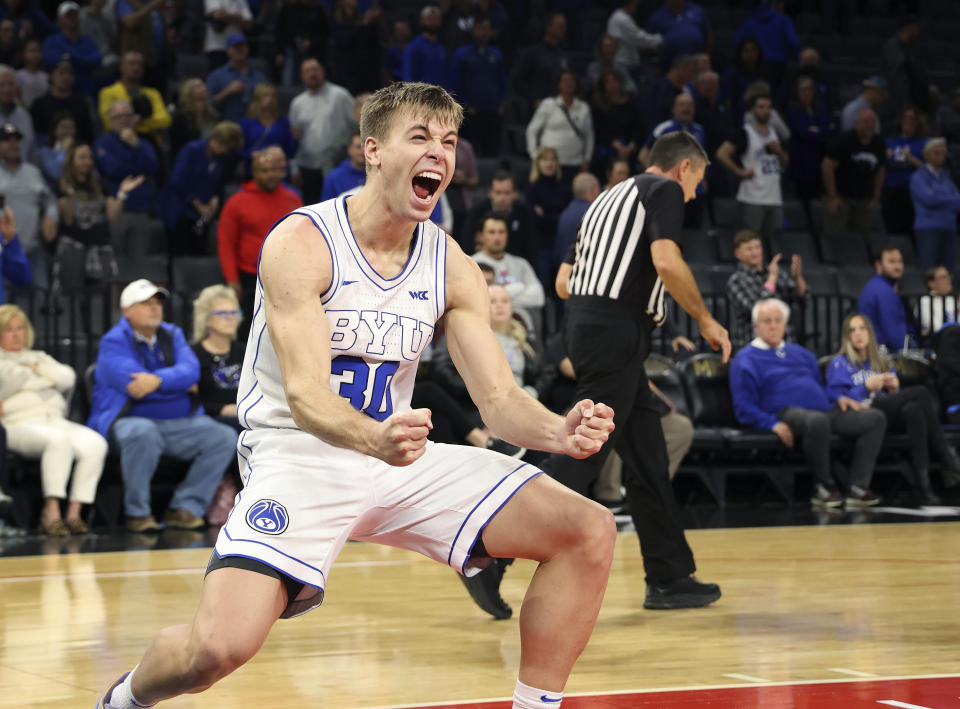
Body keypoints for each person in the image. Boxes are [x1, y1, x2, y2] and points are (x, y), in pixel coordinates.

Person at [96, 81, 617, 709]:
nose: (439, 153)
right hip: (301, 454)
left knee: (587, 530)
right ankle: (123, 700)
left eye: (449, 142)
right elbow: (307, 394)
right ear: (372, 149)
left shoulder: (451, 263)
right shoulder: (302, 242)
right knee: (217, 649)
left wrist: (557, 430)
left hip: (395, 458)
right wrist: (374, 437)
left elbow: (500, 399)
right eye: (420, 137)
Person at [545, 130, 728, 611]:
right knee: (582, 447)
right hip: (617, 328)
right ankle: (491, 549)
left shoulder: (604, 200)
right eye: (697, 182)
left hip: (587, 324)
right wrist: (706, 320)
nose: (692, 195)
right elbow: (666, 261)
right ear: (683, 168)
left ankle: (669, 576)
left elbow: (564, 283)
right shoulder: (662, 189)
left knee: (647, 458)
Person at [87, 278, 238, 534]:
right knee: (143, 432)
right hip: (127, 420)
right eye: (145, 303)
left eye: (157, 302)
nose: (155, 308)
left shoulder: (172, 334)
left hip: (178, 422)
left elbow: (191, 372)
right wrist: (174, 385)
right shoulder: (113, 342)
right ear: (127, 310)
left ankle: (185, 508)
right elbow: (134, 387)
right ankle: (137, 513)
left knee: (223, 436)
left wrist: (156, 380)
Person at [731, 299, 886, 508]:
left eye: (778, 320)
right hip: (785, 412)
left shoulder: (801, 353)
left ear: (785, 325)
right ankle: (824, 488)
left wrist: (838, 398)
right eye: (766, 321)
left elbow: (820, 387)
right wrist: (771, 424)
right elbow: (743, 407)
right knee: (816, 421)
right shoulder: (745, 359)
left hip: (825, 410)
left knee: (874, 418)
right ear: (755, 326)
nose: (773, 325)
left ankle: (858, 487)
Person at [826, 313, 959, 505]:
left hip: (886, 413)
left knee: (914, 409)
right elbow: (837, 401)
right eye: (852, 330)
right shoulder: (839, 363)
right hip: (862, 415)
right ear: (846, 337)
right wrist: (866, 387)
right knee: (920, 393)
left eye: (862, 328)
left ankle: (924, 484)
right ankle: (947, 460)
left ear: (870, 333)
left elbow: (893, 399)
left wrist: (894, 388)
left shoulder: (882, 361)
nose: (858, 334)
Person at [0, 303, 106, 535]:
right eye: (9, 329)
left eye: (21, 328)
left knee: (96, 443)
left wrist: (32, 372)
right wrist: (43, 376)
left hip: (55, 419)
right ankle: (51, 511)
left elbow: (67, 377)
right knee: (58, 441)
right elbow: (8, 381)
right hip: (17, 423)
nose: (17, 334)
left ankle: (75, 513)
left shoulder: (38, 356)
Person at [218, 146, 302, 339]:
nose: (270, 175)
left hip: (286, 276)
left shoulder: (293, 199)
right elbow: (226, 244)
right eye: (264, 171)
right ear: (255, 172)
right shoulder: (237, 202)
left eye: (274, 170)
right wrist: (232, 280)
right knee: (248, 331)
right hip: (249, 277)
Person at [54, 142, 141, 288]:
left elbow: (113, 215)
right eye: (82, 157)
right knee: (72, 294)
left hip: (100, 248)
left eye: (90, 157)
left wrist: (122, 194)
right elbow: (68, 220)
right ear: (71, 161)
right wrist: (69, 195)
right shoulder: (62, 185)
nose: (88, 161)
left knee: (102, 297)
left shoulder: (101, 184)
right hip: (73, 248)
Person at [715, 87, 788, 252]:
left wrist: (779, 152)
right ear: (752, 110)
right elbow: (722, 153)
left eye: (769, 107)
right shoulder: (745, 133)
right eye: (761, 107)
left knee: (773, 240)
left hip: (774, 197)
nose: (766, 111)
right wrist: (740, 172)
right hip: (752, 197)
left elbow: (785, 163)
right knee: (751, 241)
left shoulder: (774, 133)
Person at [157, 121, 242, 257]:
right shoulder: (192, 150)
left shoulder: (219, 159)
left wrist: (214, 199)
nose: (226, 152)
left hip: (201, 215)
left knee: (198, 253)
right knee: (179, 253)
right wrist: (197, 203)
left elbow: (216, 183)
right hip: (179, 210)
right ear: (217, 140)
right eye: (225, 147)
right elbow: (176, 180)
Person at [726, 229, 807, 350]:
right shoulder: (736, 281)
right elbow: (756, 310)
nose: (755, 252)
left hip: (786, 343)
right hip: (755, 345)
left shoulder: (775, 272)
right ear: (738, 254)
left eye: (757, 247)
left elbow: (803, 298)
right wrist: (772, 279)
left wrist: (797, 278)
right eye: (749, 249)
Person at [288, 57, 354, 205]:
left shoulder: (340, 95)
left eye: (315, 70)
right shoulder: (297, 103)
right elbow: (293, 139)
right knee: (311, 208)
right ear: (302, 76)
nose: (312, 74)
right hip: (308, 166)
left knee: (337, 207)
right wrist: (294, 168)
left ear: (323, 71)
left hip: (336, 163)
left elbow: (356, 124)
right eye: (307, 71)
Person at [0, 122, 56, 287]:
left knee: (38, 299)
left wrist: (50, 217)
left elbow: (50, 200)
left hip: (33, 249)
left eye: (16, 140)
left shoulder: (33, 172)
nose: (13, 144)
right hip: (3, 251)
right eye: (6, 140)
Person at [471, 212, 545, 334]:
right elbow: (476, 301)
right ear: (480, 236)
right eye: (491, 232)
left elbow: (538, 298)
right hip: (485, 330)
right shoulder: (471, 264)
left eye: (501, 232)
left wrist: (497, 300)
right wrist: (518, 289)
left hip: (521, 331)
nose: (497, 237)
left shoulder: (521, 264)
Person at [822, 109, 886, 242]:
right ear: (856, 124)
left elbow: (881, 170)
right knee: (836, 236)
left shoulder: (879, 143)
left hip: (865, 199)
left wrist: (875, 197)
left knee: (862, 239)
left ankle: (859, 262)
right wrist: (832, 197)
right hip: (842, 197)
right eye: (866, 122)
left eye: (872, 122)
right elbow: (827, 166)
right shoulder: (844, 140)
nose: (869, 125)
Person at [449, 16, 507, 157]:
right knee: (473, 152)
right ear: (473, 31)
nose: (484, 33)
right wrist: (466, 104)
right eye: (480, 29)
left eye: (487, 29)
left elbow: (503, 79)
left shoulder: (496, 55)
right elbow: (455, 82)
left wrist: (503, 101)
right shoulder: (462, 54)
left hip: (493, 110)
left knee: (493, 152)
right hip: (471, 112)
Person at [190, 284, 243, 432]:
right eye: (222, 313)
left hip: (244, 416)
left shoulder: (245, 351)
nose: (230, 318)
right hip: (208, 421)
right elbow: (191, 401)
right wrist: (222, 409)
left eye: (234, 312)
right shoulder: (192, 354)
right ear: (205, 319)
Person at [525, 71, 593, 183]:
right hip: (549, 164)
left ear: (576, 84)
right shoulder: (548, 104)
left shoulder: (583, 107)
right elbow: (531, 131)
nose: (568, 84)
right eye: (564, 80)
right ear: (558, 84)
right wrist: (535, 156)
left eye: (571, 81)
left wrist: (587, 159)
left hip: (575, 163)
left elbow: (589, 136)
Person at [94, 99, 158, 217]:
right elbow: (112, 169)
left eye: (128, 116)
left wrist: (136, 146)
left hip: (143, 206)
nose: (124, 120)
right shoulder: (102, 143)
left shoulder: (144, 143)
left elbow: (152, 167)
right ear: (111, 121)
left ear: (134, 118)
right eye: (119, 116)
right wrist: (139, 169)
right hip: (114, 204)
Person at [97, 50, 170, 143]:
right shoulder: (107, 93)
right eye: (132, 64)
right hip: (119, 142)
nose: (136, 68)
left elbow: (165, 120)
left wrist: (134, 122)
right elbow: (109, 124)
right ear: (121, 67)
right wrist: (147, 126)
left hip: (150, 144)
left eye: (140, 64)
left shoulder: (153, 93)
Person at [463, 170, 535, 264]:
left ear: (515, 194)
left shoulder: (524, 213)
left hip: (515, 266)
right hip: (482, 265)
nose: (502, 198)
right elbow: (467, 245)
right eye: (498, 193)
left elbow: (531, 248)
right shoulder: (476, 212)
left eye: (507, 193)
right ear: (490, 193)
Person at [911, 137, 960, 270]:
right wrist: (949, 198)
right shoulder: (918, 177)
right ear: (926, 155)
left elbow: (958, 201)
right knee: (929, 270)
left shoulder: (945, 176)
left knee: (948, 270)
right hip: (928, 230)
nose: (941, 156)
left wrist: (939, 196)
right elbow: (929, 200)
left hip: (949, 228)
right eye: (936, 152)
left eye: (943, 153)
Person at [525, 146, 571, 284]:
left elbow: (566, 219)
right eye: (544, 159)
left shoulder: (565, 188)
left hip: (562, 242)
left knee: (563, 284)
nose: (549, 163)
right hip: (542, 244)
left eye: (552, 159)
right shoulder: (532, 188)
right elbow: (536, 220)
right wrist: (557, 215)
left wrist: (545, 214)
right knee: (543, 283)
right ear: (537, 163)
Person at [510, 12, 571, 112]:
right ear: (549, 27)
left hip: (559, 110)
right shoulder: (532, 53)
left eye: (564, 27)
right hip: (537, 109)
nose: (564, 30)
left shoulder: (563, 56)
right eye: (560, 26)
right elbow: (517, 81)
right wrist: (533, 99)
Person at [859, 245, 914, 352]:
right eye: (892, 262)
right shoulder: (884, 291)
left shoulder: (875, 285)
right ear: (878, 265)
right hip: (884, 352)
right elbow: (895, 334)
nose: (898, 266)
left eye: (900, 261)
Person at [883, 106, 927, 236]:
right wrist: (885, 157)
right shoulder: (889, 142)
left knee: (911, 230)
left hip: (913, 191)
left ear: (918, 122)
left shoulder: (924, 143)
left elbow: (928, 169)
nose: (908, 121)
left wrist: (911, 158)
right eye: (905, 117)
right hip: (891, 190)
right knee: (892, 231)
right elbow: (880, 166)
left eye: (912, 118)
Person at [41, 0, 101, 97]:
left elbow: (97, 61)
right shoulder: (51, 41)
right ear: (60, 19)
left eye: (75, 15)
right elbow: (51, 61)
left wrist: (70, 57)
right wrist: (82, 61)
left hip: (85, 92)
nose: (72, 18)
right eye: (68, 15)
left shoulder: (88, 42)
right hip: (59, 95)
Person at [29, 58, 94, 143]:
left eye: (70, 73)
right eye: (61, 73)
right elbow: (35, 135)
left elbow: (89, 134)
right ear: (51, 76)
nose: (66, 77)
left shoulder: (81, 102)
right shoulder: (39, 104)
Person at [205, 33, 265, 123]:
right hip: (226, 127)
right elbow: (207, 105)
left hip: (253, 126)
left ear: (247, 49)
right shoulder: (216, 76)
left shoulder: (259, 77)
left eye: (242, 46)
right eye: (235, 47)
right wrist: (226, 92)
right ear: (228, 50)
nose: (239, 50)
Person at [591, 68, 642, 173]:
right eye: (608, 81)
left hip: (629, 148)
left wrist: (632, 145)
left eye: (614, 81)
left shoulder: (632, 103)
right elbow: (598, 130)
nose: (612, 84)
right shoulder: (597, 105)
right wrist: (615, 144)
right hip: (607, 148)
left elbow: (639, 128)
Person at [553, 172, 600, 279]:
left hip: (562, 271)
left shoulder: (565, 213)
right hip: (583, 273)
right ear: (593, 190)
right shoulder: (593, 212)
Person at [606, 0, 662, 80]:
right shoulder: (621, 19)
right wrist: (659, 39)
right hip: (623, 63)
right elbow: (638, 38)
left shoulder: (621, 16)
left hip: (625, 62)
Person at [646, 0, 711, 63]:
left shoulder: (697, 10)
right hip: (670, 62)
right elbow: (649, 40)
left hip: (697, 59)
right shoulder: (657, 16)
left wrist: (707, 55)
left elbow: (708, 34)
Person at [170, 78, 219, 156]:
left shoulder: (212, 115)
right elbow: (177, 147)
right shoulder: (181, 118)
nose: (204, 88)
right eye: (198, 87)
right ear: (188, 92)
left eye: (203, 85)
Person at [401, 5, 447, 89]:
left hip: (441, 97)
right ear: (422, 21)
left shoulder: (442, 48)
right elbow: (408, 77)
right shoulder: (413, 47)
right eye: (429, 19)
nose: (433, 22)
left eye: (436, 19)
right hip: (422, 97)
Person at [319, 131, 364, 201]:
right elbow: (325, 209)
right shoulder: (333, 178)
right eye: (358, 147)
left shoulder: (380, 175)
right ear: (349, 149)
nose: (362, 151)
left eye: (365, 147)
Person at [917, 265, 959, 338]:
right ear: (931, 283)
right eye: (943, 277)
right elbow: (934, 328)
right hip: (938, 342)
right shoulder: (925, 301)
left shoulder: (953, 299)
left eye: (948, 276)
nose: (948, 279)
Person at [37, 111, 74, 185]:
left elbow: (94, 174)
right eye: (63, 127)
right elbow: (56, 173)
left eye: (71, 127)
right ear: (54, 130)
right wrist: (64, 150)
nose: (68, 131)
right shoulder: (44, 152)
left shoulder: (82, 149)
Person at [15, 37, 47, 108]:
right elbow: (16, 98)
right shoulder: (18, 75)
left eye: (38, 50)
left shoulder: (45, 76)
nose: (35, 54)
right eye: (31, 51)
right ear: (23, 54)